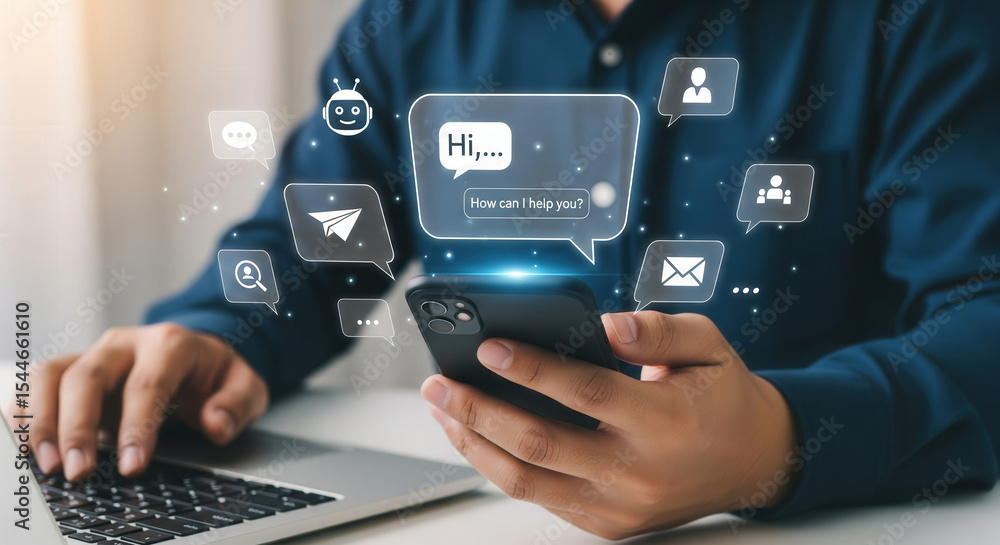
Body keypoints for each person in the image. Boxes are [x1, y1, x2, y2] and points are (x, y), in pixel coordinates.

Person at [8, 0, 1000, 540]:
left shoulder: (915, 19)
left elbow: (985, 316)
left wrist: (777, 445)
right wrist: (218, 331)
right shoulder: (410, 24)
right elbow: (310, 253)